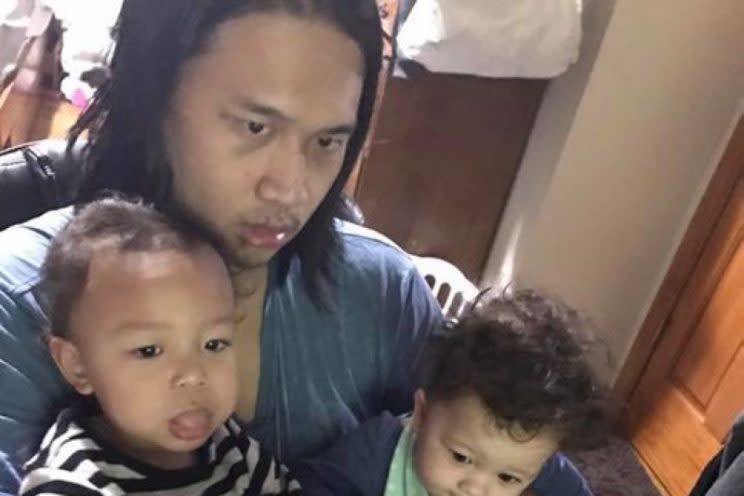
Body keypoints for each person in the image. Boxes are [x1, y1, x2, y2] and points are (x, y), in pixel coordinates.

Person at [0, 1, 589, 493]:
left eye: (328, 140)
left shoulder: (383, 289)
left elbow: (507, 449)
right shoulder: (15, 305)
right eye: (255, 127)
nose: (292, 188)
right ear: (152, 100)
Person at [21, 197, 299, 495]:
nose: (193, 375)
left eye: (213, 344)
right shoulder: (71, 482)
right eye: (149, 351)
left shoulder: (229, 445)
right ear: (78, 367)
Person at [294, 290, 607, 496]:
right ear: (421, 414)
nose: (476, 489)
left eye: (508, 479)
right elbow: (311, 483)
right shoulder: (376, 452)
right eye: (461, 457)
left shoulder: (535, 458)